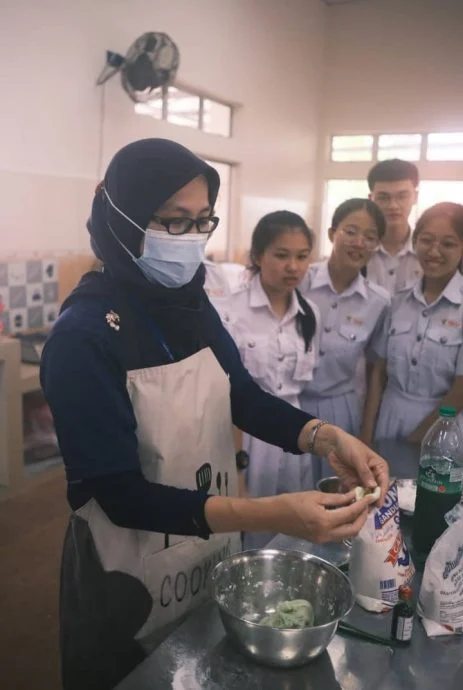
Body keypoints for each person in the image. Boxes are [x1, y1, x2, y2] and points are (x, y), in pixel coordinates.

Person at [40, 138, 389, 690]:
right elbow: (119, 494)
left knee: (202, 665)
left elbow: (241, 394)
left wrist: (326, 438)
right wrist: (270, 514)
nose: (191, 240)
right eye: (173, 222)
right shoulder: (84, 336)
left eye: (202, 221)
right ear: (124, 219)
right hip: (126, 573)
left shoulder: (189, 302)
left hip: (206, 544)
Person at [219, 211, 320, 548]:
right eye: (281, 255)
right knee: (250, 529)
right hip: (246, 434)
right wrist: (237, 467)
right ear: (258, 256)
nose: (293, 266)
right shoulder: (230, 312)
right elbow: (225, 393)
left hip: (293, 431)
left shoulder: (309, 313)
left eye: (302, 256)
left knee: (296, 529)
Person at [300, 199, 390, 481]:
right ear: (331, 234)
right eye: (350, 231)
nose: (359, 242)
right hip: (292, 402)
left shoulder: (379, 301)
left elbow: (376, 369)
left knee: (336, 491)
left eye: (370, 237)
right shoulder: (300, 280)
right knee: (289, 492)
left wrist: (365, 431)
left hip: (341, 408)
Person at [362, 202, 463, 450]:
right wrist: (366, 434)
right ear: (415, 242)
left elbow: (460, 389)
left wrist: (419, 437)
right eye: (426, 240)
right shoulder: (398, 301)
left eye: (448, 244)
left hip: (444, 426)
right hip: (390, 415)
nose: (434, 251)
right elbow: (379, 372)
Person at [367, 159, 422, 292]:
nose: (393, 205)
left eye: (402, 197)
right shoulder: (359, 251)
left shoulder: (427, 252)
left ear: (415, 197)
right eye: (383, 198)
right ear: (371, 199)